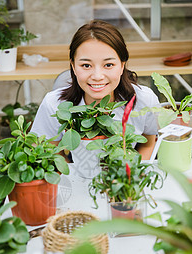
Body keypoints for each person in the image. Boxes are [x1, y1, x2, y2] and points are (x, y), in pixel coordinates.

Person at [31, 20, 160, 161]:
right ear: (73, 66)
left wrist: (131, 176)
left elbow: (148, 143)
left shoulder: (144, 100)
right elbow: (50, 152)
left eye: (108, 64)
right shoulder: (53, 104)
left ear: (122, 65)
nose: (97, 76)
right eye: (86, 65)